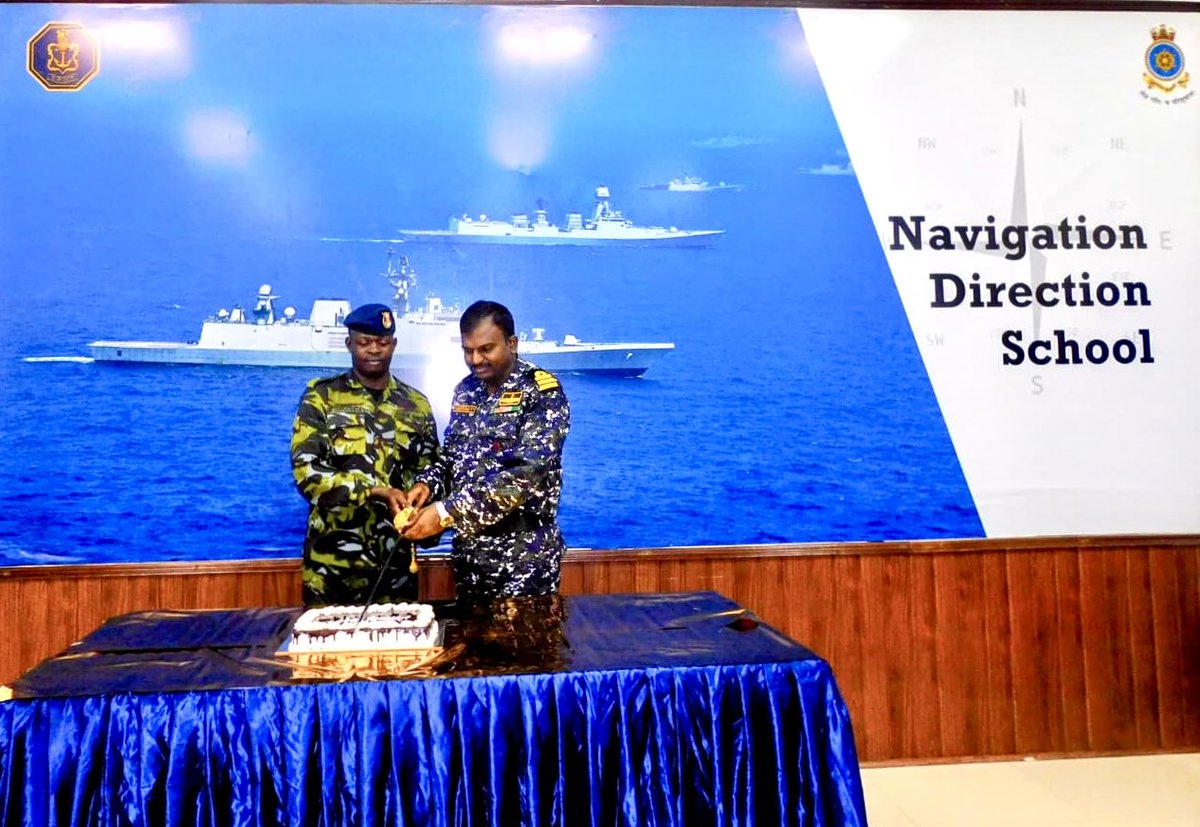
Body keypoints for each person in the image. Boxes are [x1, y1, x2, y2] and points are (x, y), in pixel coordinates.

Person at [401, 300, 570, 604]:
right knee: (474, 647)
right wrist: (427, 485)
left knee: (528, 648)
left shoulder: (542, 392)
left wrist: (444, 512)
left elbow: (523, 474)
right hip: (472, 558)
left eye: (486, 349)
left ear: (512, 343)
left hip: (524, 560)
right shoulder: (466, 390)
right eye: (467, 350)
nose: (475, 359)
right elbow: (451, 458)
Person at [290, 302, 440, 607]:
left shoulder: (417, 405)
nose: (374, 350)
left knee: (399, 652)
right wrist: (374, 492)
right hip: (332, 569)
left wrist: (424, 495)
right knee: (326, 653)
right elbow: (307, 473)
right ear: (349, 344)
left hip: (396, 567)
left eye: (383, 343)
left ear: (394, 344)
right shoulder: (321, 397)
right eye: (364, 342)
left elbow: (432, 471)